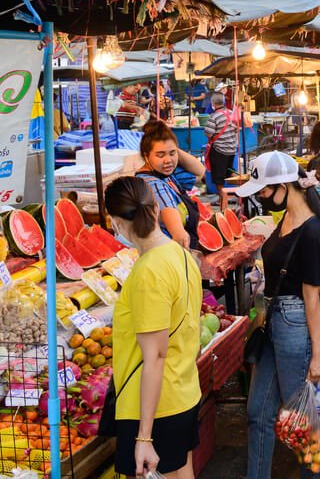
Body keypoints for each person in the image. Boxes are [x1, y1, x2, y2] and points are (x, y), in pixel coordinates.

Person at [235, 152, 320, 479]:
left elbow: (312, 297)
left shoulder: (312, 232)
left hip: (298, 325)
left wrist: (319, 354)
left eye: (264, 191)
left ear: (283, 186)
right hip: (276, 320)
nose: (261, 198)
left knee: (303, 421)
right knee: (258, 412)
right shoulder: (287, 218)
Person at [106, 176, 202, 479]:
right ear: (156, 207)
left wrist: (144, 437)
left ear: (116, 222)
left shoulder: (149, 272)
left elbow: (155, 357)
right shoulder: (179, 254)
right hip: (183, 390)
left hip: (155, 406)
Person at [135, 121, 206, 249]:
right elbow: (178, 233)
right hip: (170, 252)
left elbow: (200, 171)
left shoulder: (168, 175)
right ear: (146, 157)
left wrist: (171, 146)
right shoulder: (153, 184)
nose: (168, 160)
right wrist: (178, 232)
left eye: (172, 154)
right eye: (160, 155)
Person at [203, 93, 238, 211]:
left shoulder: (214, 117)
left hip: (220, 151)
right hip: (232, 150)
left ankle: (223, 203)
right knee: (230, 172)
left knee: (219, 179)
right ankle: (242, 186)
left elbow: (208, 133)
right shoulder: (231, 113)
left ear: (213, 104)